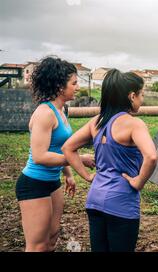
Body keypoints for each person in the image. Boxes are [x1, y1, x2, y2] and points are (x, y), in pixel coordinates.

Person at [62, 69, 158, 252]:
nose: (142, 99)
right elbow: (152, 156)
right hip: (122, 204)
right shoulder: (134, 124)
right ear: (131, 96)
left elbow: (68, 148)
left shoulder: (96, 121)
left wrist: (87, 176)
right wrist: (138, 182)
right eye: (142, 94)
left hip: (95, 200)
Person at [15, 56, 95, 252]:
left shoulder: (61, 110)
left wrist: (68, 174)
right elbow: (41, 156)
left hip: (53, 182)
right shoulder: (45, 113)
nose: (77, 87)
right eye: (74, 83)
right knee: (37, 245)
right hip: (34, 184)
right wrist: (80, 159)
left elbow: (61, 147)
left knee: (52, 237)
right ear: (60, 86)